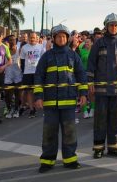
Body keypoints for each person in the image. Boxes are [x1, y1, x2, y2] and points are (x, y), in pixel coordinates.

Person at [35, 24, 88, 172]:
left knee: (69, 132)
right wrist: (38, 96)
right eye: (58, 36)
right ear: (53, 38)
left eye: (64, 36)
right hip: (50, 102)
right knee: (49, 132)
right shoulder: (47, 56)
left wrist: (83, 94)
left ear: (67, 38)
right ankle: (47, 161)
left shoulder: (73, 55)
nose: (61, 38)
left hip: (69, 101)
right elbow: (39, 77)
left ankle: (70, 159)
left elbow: (81, 75)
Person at [86, 13, 117, 158]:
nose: (114, 27)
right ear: (106, 26)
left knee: (116, 119)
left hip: (116, 89)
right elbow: (91, 64)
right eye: (111, 25)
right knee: (100, 119)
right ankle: (98, 148)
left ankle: (114, 146)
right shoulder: (99, 43)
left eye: (116, 25)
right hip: (101, 89)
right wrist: (90, 82)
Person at [20, 32, 45, 118]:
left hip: (38, 72)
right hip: (28, 72)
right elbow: (22, 61)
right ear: (28, 38)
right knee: (29, 91)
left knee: (39, 89)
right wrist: (24, 71)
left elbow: (43, 60)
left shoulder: (41, 47)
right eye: (31, 37)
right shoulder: (24, 48)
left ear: (36, 38)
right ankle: (32, 109)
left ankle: (40, 105)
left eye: (33, 37)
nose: (32, 39)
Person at [4, 36, 23, 118]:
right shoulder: (5, 50)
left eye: (14, 40)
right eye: (10, 40)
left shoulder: (19, 50)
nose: (12, 41)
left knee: (17, 93)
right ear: (8, 41)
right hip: (8, 74)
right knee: (8, 94)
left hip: (18, 74)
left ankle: (16, 109)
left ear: (16, 41)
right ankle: (9, 109)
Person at [78, 35, 94, 119]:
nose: (86, 43)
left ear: (92, 43)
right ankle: (84, 111)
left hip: (92, 74)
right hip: (83, 74)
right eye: (85, 42)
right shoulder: (81, 51)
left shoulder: (94, 51)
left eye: (88, 42)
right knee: (83, 92)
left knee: (91, 92)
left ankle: (92, 109)